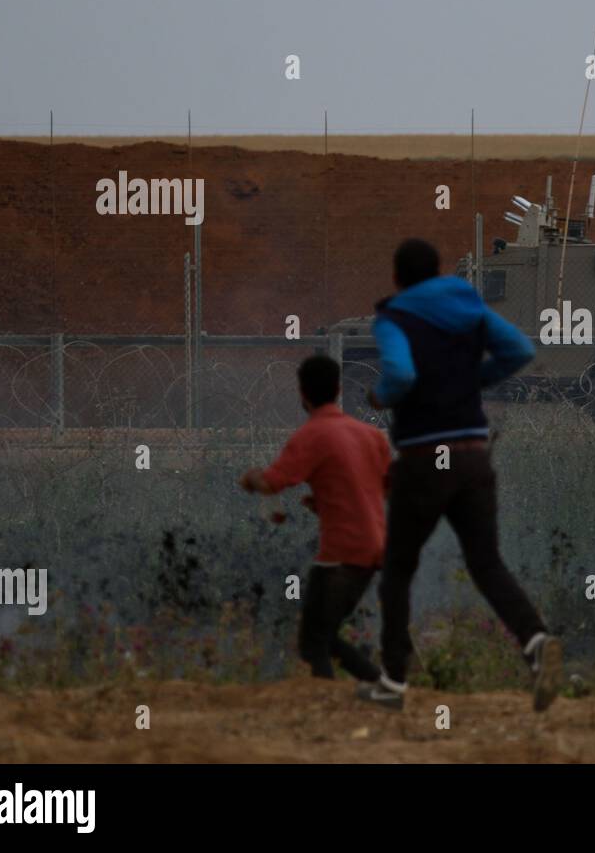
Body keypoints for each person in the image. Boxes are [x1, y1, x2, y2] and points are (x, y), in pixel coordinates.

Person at [360, 238, 561, 712]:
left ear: (398, 277)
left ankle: (393, 681)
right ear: (438, 271)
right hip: (473, 455)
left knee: (397, 569)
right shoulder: (469, 306)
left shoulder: (395, 319)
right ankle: (536, 641)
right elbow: (518, 350)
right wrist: (474, 381)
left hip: (425, 456)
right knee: (486, 563)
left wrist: (380, 397)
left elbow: (401, 376)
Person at [239, 355, 392, 684]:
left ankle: (371, 689)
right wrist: (325, 503)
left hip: (341, 553)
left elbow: (271, 483)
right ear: (338, 390)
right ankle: (378, 688)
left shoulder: (313, 435)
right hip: (375, 548)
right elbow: (383, 490)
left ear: (302, 393)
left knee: (313, 641)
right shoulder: (371, 436)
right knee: (323, 635)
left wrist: (251, 479)